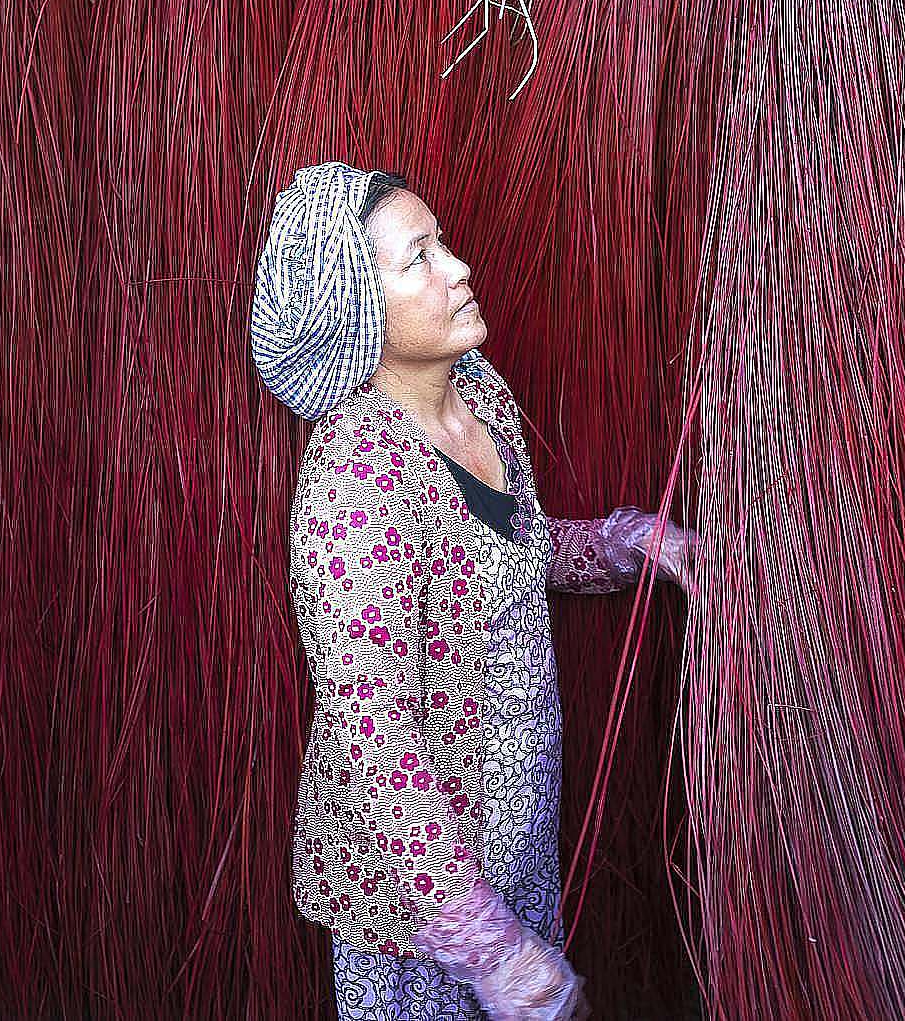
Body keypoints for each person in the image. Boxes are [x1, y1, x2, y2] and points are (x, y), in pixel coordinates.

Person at [250, 162, 690, 1021]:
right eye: (418, 257)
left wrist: (628, 544)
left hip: (516, 840)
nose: (458, 268)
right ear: (354, 311)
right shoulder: (356, 482)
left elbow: (509, 558)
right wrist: (485, 942)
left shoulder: (481, 392)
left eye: (441, 240)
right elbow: (374, 738)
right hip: (423, 907)